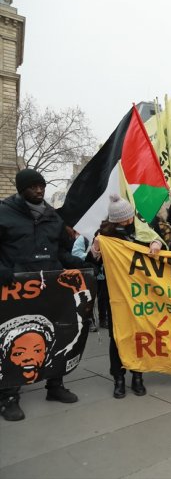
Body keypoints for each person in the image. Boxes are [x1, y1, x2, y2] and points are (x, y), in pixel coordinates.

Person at [0, 169, 91, 421]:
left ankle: (55, 385)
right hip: (17, 289)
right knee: (14, 340)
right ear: (21, 190)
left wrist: (78, 263)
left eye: (41, 186)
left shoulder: (53, 216)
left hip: (50, 286)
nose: (39, 190)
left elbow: (60, 251)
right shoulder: (4, 213)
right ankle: (8, 395)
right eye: (33, 187)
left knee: (57, 336)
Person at [88, 195, 162, 398]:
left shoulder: (141, 230)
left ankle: (137, 376)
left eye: (129, 218)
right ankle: (118, 378)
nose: (127, 223)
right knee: (118, 337)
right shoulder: (104, 235)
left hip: (139, 294)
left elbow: (158, 240)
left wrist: (156, 243)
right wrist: (96, 247)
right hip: (116, 295)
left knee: (139, 335)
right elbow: (91, 262)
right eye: (122, 220)